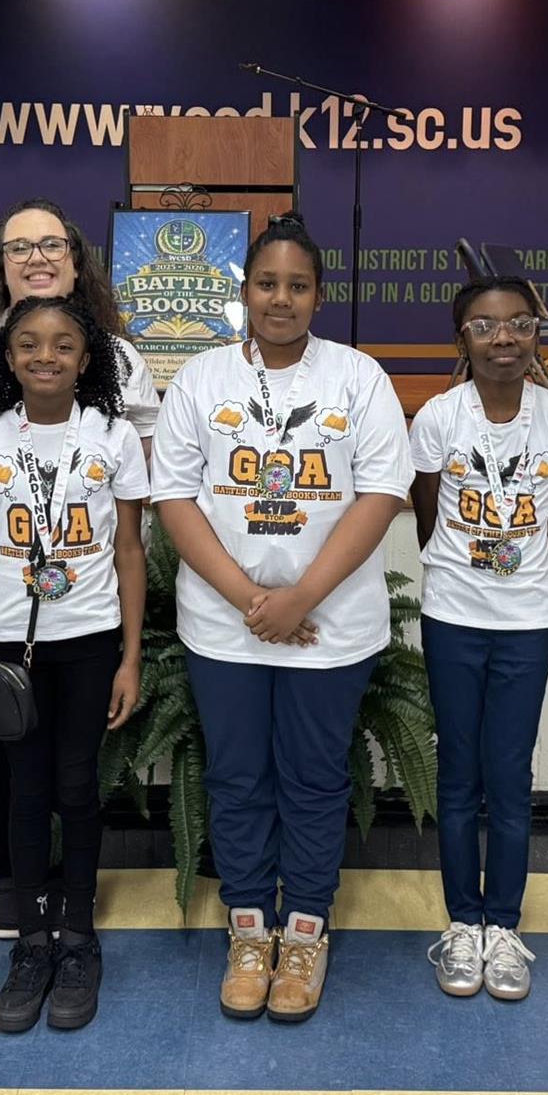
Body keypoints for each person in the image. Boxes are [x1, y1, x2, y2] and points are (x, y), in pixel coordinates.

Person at [151, 214, 411, 1024]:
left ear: (319, 296)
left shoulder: (358, 377)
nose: (281, 298)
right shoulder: (200, 378)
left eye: (298, 285)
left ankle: (304, 929)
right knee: (235, 778)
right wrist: (248, 600)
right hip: (225, 625)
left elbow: (381, 493)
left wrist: (300, 598)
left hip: (329, 625)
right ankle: (248, 927)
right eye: (267, 282)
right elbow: (174, 497)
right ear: (243, 292)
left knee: (313, 778)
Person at [0, 199, 159, 938]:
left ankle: (72, 897)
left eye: (53, 243)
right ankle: (8, 879)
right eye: (19, 246)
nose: (37, 255)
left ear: (77, 260)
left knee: (71, 759)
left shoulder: (113, 353)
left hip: (81, 594)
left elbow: (144, 459)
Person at [0, 295, 147, 1033]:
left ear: (86, 357)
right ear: (7, 359)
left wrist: (130, 655)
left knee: (77, 784)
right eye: (29, 344)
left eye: (62, 345)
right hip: (10, 645)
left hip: (90, 638)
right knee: (24, 790)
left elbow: (130, 549)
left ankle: (78, 935)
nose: (45, 356)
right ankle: (32, 941)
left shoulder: (114, 436)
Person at [410, 276, 548, 1001]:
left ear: (537, 333)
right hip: (453, 614)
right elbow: (427, 516)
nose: (504, 338)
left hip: (525, 620)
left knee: (510, 776)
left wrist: (514, 568)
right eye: (485, 326)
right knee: (459, 775)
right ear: (462, 337)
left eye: (519, 323)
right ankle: (462, 923)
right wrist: (467, 566)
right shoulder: (437, 418)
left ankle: (504, 925)